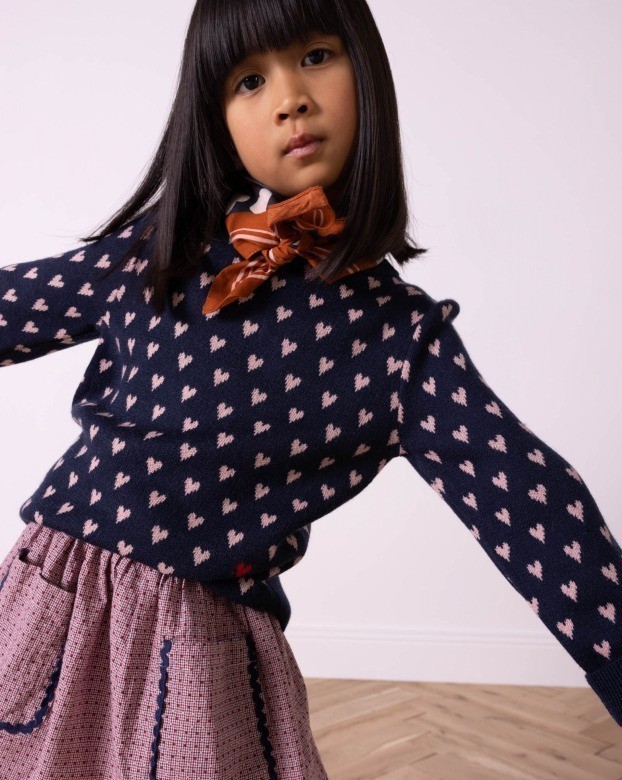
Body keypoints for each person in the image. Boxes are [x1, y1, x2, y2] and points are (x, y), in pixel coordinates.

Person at [0, 0, 620, 777]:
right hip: (51, 606)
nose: (290, 98)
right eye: (248, 81)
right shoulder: (161, 254)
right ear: (215, 118)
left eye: (316, 57)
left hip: (200, 652)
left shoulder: (399, 344)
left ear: (366, 73)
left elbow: (534, 505)